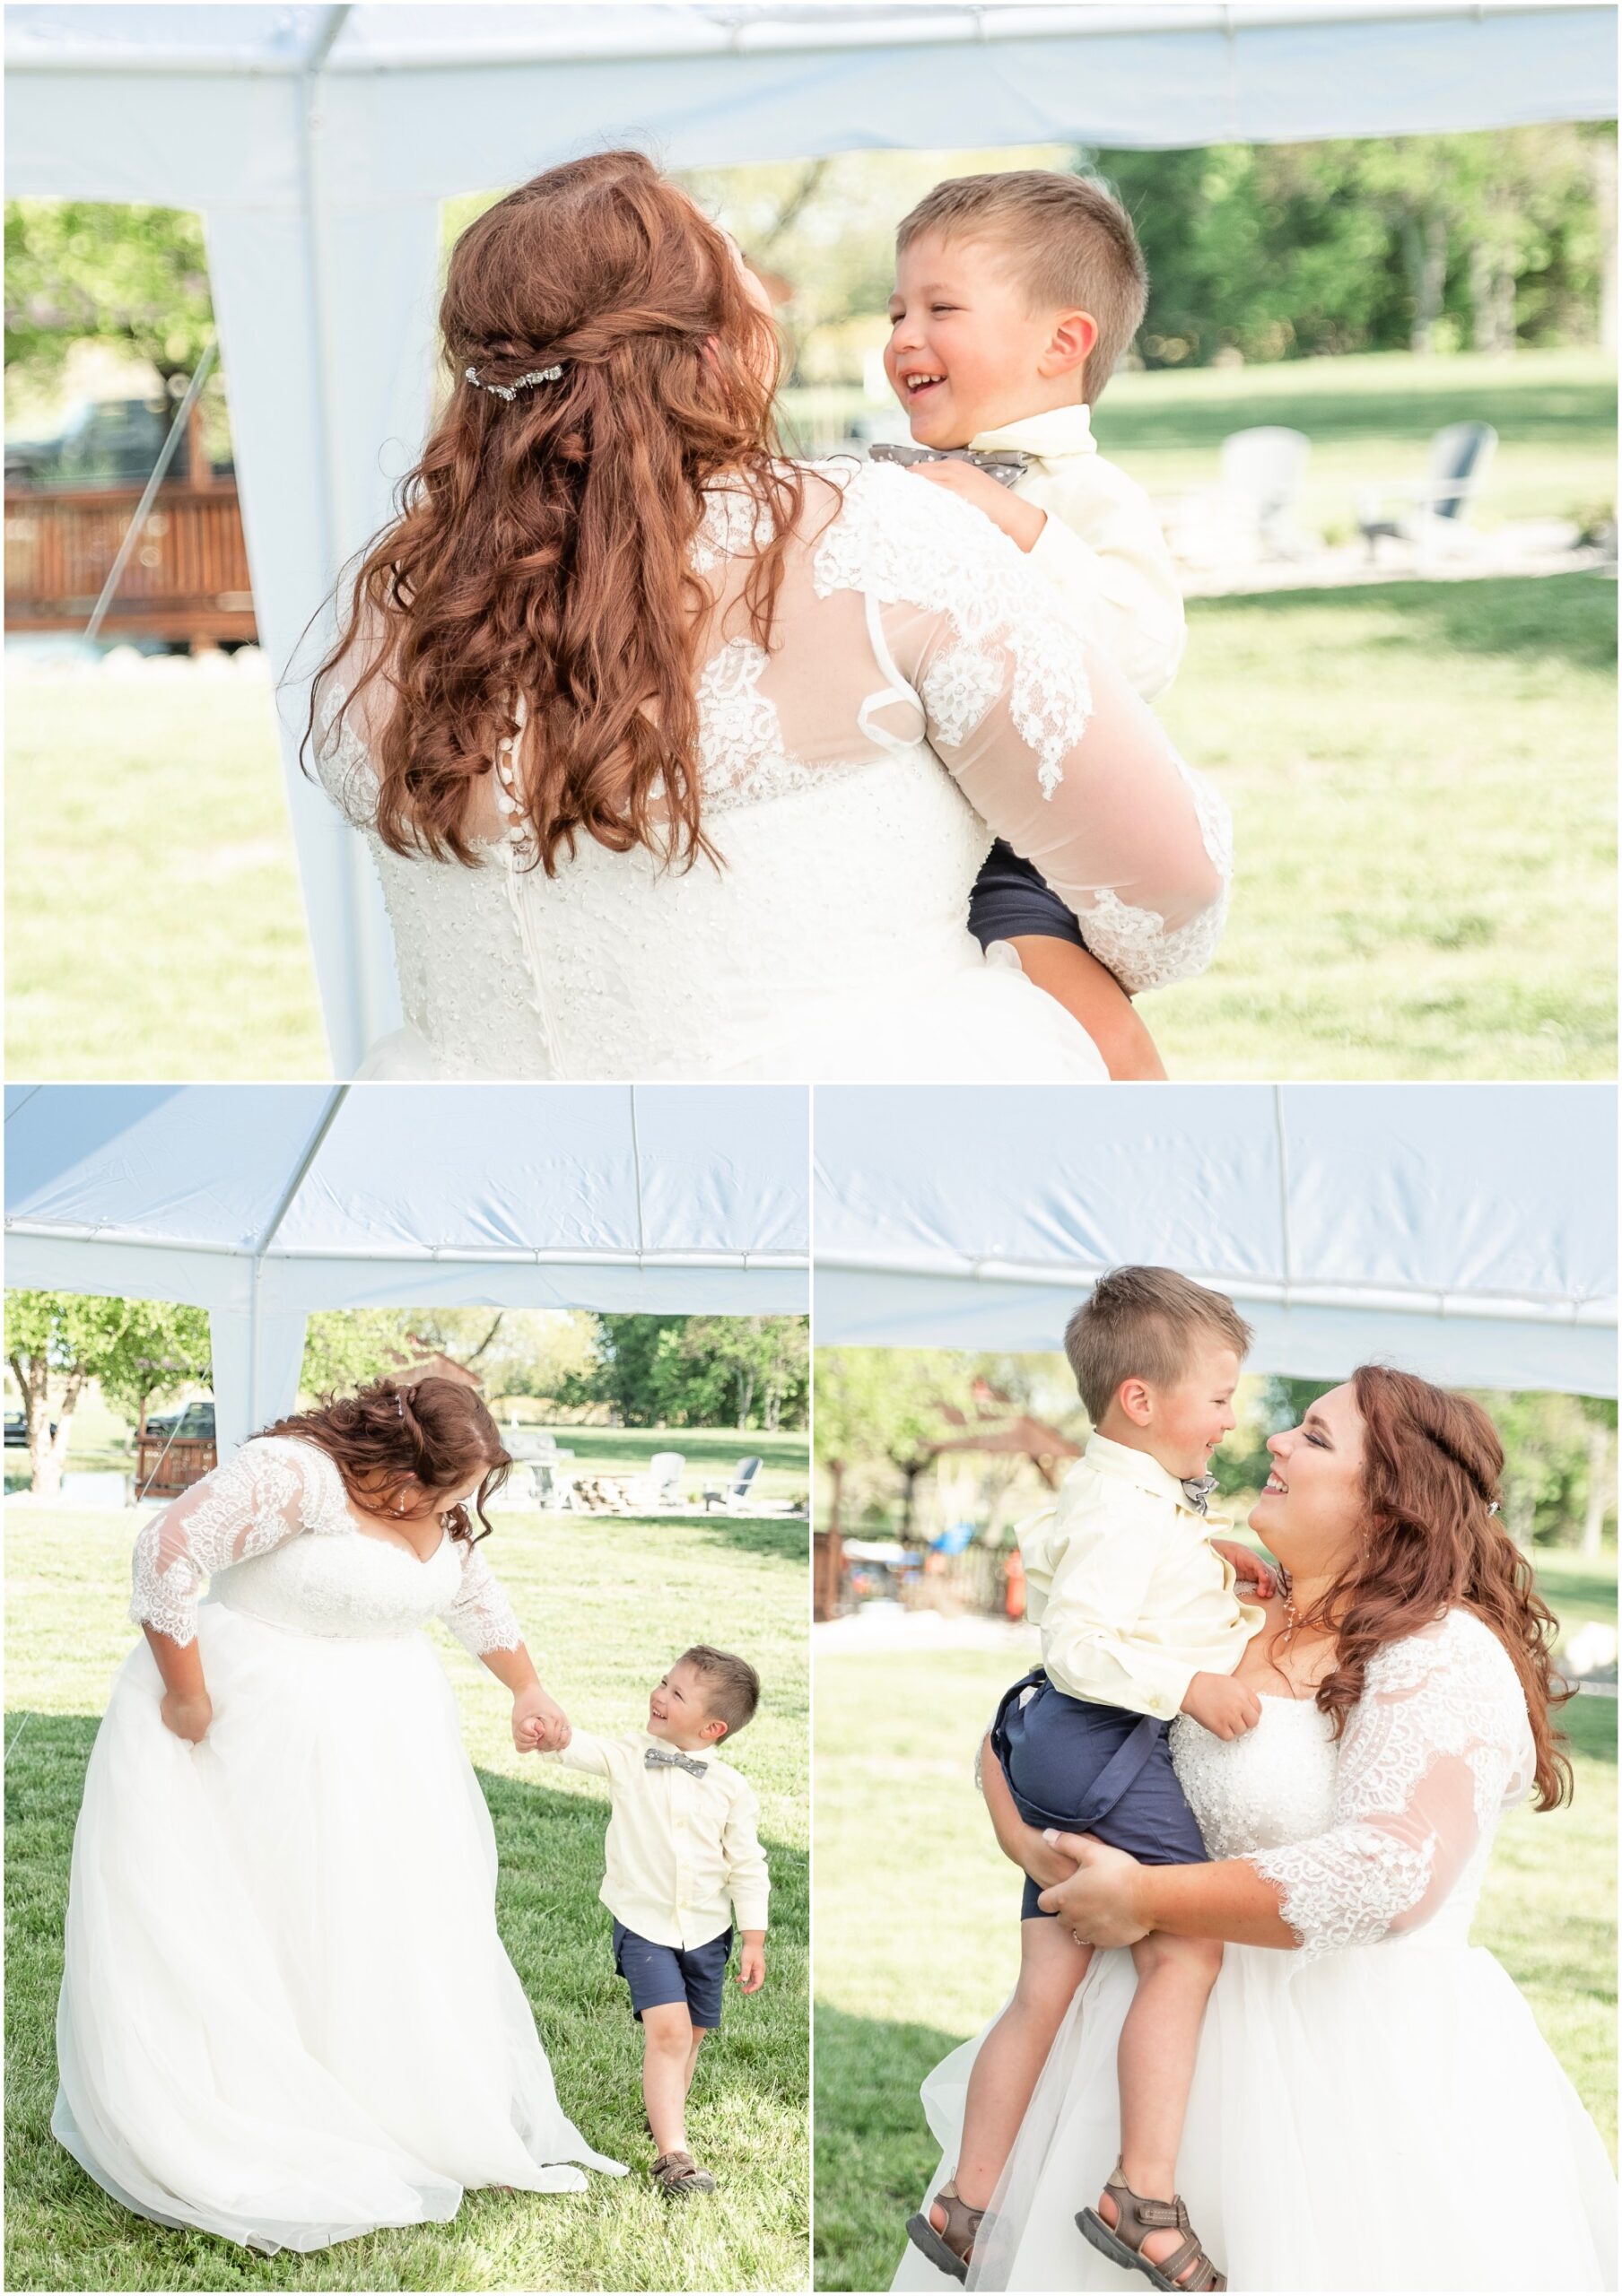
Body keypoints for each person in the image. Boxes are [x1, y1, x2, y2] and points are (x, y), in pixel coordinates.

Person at [307, 149, 1229, 1083]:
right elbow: (1165, 894)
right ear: (714, 349)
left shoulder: (393, 601)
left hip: (476, 1175)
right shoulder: (882, 540)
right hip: (848, 1146)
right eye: (752, 293)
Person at [895, 1368, 1618, 2293]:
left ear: (1392, 1497)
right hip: (1133, 2063)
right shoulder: (1214, 1612)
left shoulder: (1439, 1651)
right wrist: (1025, 1845)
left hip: (1346, 2083)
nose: (1271, 1440)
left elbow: (1388, 1873)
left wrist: (1142, 1894)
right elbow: (1038, 1728)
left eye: (1313, 1437)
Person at [53, 1378, 625, 2255]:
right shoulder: (294, 1474)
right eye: (443, 1485)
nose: (453, 1505)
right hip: (246, 1728)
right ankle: (258, 2100)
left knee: (373, 1922)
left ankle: (378, 2094)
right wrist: (188, 1694)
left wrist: (527, 1686)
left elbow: (473, 1597)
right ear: (398, 1454)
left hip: (388, 1745)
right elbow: (166, 1551)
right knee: (255, 1916)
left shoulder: (448, 1508)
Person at [906, 1271, 1275, 2290]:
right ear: (1140, 1401)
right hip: (1104, 1730)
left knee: (1044, 1988)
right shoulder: (1121, 1506)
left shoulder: (1128, 1493)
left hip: (1064, 1744)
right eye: (1219, 1396)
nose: (1231, 1418)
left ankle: (963, 2204)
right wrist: (1189, 1681)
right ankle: (1140, 2192)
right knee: (1187, 1948)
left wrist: (1219, 1561)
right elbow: (1079, 1644)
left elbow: (1146, 1581)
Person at [882, 170, 1189, 1082]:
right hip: (896, 828)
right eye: (894, 312)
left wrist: (1017, 526)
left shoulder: (1088, 498)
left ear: (1062, 343)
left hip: (1019, 846)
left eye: (941, 308)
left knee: (1096, 1040)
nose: (904, 338)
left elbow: (1141, 653)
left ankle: (1172, 1193)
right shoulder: (895, 492)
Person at [538, 1646, 769, 2197]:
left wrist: (753, 1937)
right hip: (644, 1924)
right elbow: (582, 1749)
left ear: (713, 1727)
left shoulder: (731, 1788)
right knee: (667, 2033)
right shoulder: (631, 1755)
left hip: (708, 1932)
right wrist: (551, 1735)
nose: (659, 1695)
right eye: (663, 1682)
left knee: (691, 2035)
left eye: (676, 1693)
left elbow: (747, 1865)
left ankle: (665, 2115)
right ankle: (674, 2158)